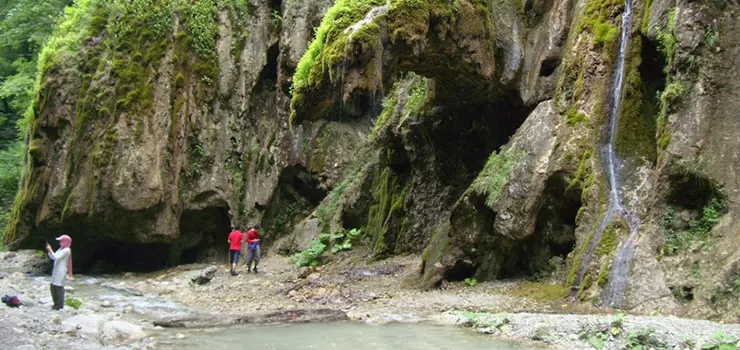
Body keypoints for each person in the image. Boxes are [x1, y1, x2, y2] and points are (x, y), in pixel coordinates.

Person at [45, 234, 72, 310]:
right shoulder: (61, 249)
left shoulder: (67, 250)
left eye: (61, 240)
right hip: (56, 270)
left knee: (59, 286)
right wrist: (49, 251)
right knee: (53, 285)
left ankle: (59, 305)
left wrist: (50, 249)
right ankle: (55, 303)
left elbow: (57, 257)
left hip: (61, 271)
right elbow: (53, 256)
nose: (60, 242)